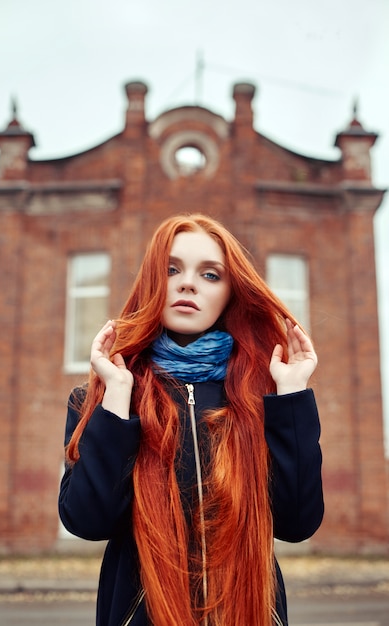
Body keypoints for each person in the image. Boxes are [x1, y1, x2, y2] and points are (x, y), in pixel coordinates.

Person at [59, 213, 323, 626]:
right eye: (171, 269)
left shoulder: (264, 397)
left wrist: (292, 396)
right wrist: (116, 397)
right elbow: (88, 522)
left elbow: (297, 524)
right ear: (152, 281)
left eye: (211, 274)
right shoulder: (103, 396)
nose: (187, 283)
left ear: (231, 293)